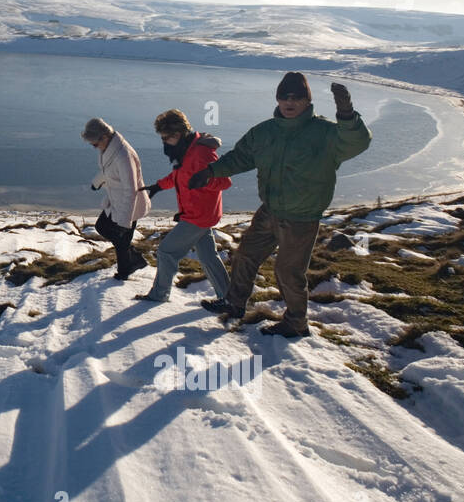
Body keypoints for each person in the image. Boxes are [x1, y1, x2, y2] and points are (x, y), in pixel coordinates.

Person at [189, 72, 372, 337]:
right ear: (277, 98)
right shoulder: (265, 131)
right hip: (270, 210)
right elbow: (240, 157)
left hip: (301, 217)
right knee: (245, 255)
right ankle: (234, 302)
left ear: (307, 100)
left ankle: (296, 322)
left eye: (297, 96)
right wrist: (211, 172)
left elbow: (357, 142)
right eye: (284, 95)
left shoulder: (326, 133)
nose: (289, 101)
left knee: (288, 272)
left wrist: (346, 115)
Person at [133, 109, 232, 303]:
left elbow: (225, 181)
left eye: (165, 137)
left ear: (176, 134)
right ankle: (229, 298)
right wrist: (159, 186)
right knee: (208, 258)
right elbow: (179, 176)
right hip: (199, 214)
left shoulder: (201, 153)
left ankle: (159, 295)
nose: (164, 142)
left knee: (166, 252)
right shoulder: (186, 151)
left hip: (198, 216)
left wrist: (204, 181)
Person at [83, 117, 150, 280]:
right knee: (104, 228)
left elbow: (131, 190)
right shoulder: (108, 149)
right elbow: (108, 170)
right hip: (117, 200)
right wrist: (96, 182)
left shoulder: (123, 156)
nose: (94, 147)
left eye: (94, 144)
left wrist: (124, 222)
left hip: (130, 205)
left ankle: (124, 272)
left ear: (104, 137)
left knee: (121, 238)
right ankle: (133, 260)